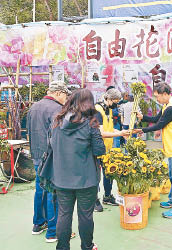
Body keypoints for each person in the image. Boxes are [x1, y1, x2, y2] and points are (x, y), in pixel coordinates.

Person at [50, 89, 103, 250]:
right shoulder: (91, 122)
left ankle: (62, 247)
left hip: (61, 177)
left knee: (64, 214)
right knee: (85, 215)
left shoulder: (57, 121)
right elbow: (99, 149)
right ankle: (87, 246)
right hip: (86, 178)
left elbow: (51, 145)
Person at [134, 83, 172, 219]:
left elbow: (160, 124)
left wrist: (142, 130)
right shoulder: (167, 106)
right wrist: (144, 118)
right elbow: (157, 119)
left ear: (165, 94)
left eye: (158, 96)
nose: (157, 99)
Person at [27, 80, 70, 242]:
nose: (66, 99)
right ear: (58, 93)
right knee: (53, 193)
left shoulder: (34, 107)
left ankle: (38, 224)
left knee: (40, 190)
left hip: (37, 155)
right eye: (65, 95)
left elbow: (29, 132)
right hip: (52, 157)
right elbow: (60, 136)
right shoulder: (57, 109)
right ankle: (53, 231)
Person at [94, 88, 130, 211]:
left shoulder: (108, 109)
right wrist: (119, 135)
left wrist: (121, 132)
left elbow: (109, 129)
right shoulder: (97, 110)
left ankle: (108, 196)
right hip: (97, 149)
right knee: (96, 176)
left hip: (107, 149)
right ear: (108, 98)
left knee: (108, 173)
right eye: (115, 101)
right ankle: (94, 200)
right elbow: (101, 133)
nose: (116, 104)